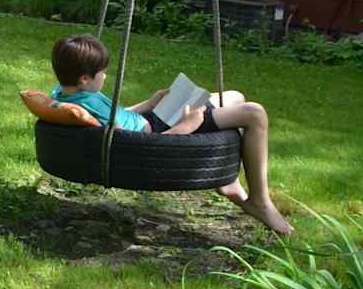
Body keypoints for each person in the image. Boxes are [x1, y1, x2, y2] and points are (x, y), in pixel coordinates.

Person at [50, 34, 293, 235]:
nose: (105, 76)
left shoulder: (65, 94)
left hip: (153, 121)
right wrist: (188, 125)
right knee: (254, 113)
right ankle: (259, 201)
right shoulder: (87, 103)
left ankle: (229, 181)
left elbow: (118, 117)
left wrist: (150, 102)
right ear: (84, 78)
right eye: (102, 72)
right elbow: (144, 145)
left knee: (234, 97)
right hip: (162, 131)